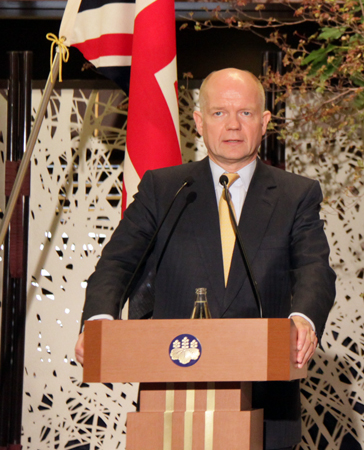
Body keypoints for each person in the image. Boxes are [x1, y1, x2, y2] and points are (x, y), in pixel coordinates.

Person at [74, 68, 337, 450]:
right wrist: (98, 322)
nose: (232, 125)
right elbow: (117, 263)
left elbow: (315, 269)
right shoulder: (164, 189)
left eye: (245, 113)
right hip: (173, 401)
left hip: (267, 406)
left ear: (264, 123)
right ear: (199, 122)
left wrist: (303, 319)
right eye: (219, 113)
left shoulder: (296, 195)